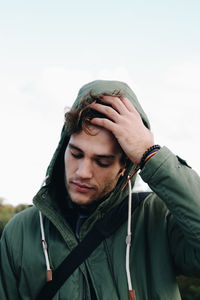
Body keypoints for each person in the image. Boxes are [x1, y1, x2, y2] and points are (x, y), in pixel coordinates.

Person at [0, 80, 200, 300]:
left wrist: (150, 154)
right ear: (63, 148)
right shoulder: (20, 232)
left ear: (125, 167)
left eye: (102, 162)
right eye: (76, 154)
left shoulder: (158, 219)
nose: (83, 172)